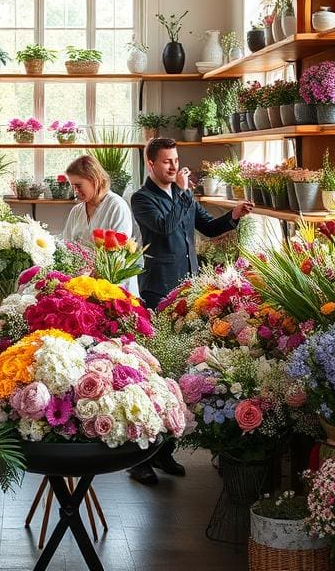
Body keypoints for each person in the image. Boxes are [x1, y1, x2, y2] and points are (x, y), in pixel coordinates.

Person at [128, 137, 253, 485]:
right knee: (155, 374)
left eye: (175, 159)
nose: (174, 166)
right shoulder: (142, 199)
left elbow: (208, 227)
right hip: (158, 291)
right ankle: (139, 459)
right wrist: (184, 193)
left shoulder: (183, 195)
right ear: (151, 164)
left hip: (187, 292)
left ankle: (163, 452)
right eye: (166, 161)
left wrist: (233, 216)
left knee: (179, 372)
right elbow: (164, 228)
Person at [61, 154, 140, 295]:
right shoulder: (76, 211)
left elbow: (117, 257)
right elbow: (66, 248)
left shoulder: (116, 206)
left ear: (94, 179)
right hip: (82, 288)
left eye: (78, 186)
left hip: (111, 289)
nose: (75, 191)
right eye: (73, 186)